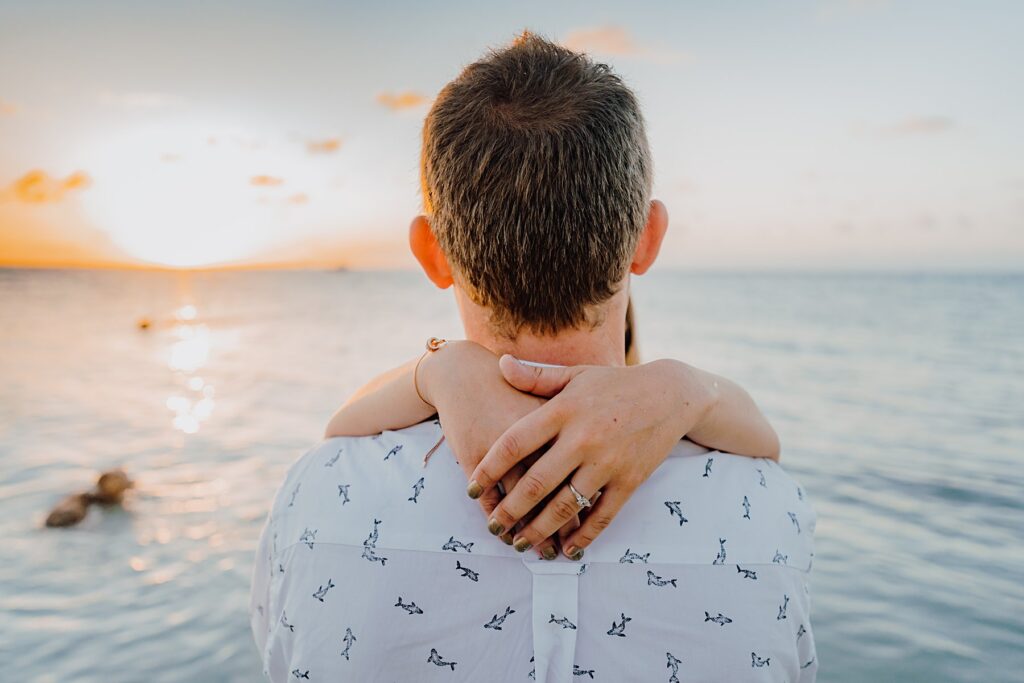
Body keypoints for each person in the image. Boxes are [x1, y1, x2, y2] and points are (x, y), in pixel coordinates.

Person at [250, 32, 816, 682]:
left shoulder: (318, 496)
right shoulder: (770, 512)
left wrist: (435, 368)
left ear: (431, 252)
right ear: (648, 238)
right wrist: (691, 388)